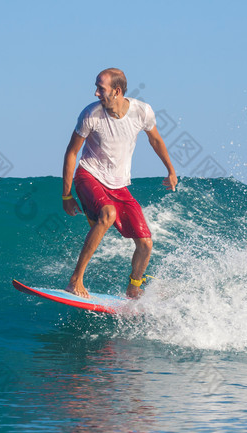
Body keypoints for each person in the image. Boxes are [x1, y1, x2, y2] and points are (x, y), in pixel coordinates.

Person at [62, 68, 178, 298]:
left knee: (145, 243)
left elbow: (155, 139)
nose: (96, 93)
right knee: (108, 214)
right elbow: (71, 153)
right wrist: (66, 195)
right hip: (89, 175)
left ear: (116, 91)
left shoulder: (141, 111)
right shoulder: (90, 114)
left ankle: (133, 288)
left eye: (100, 88)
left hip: (118, 184)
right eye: (96, 87)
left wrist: (171, 170)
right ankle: (75, 280)